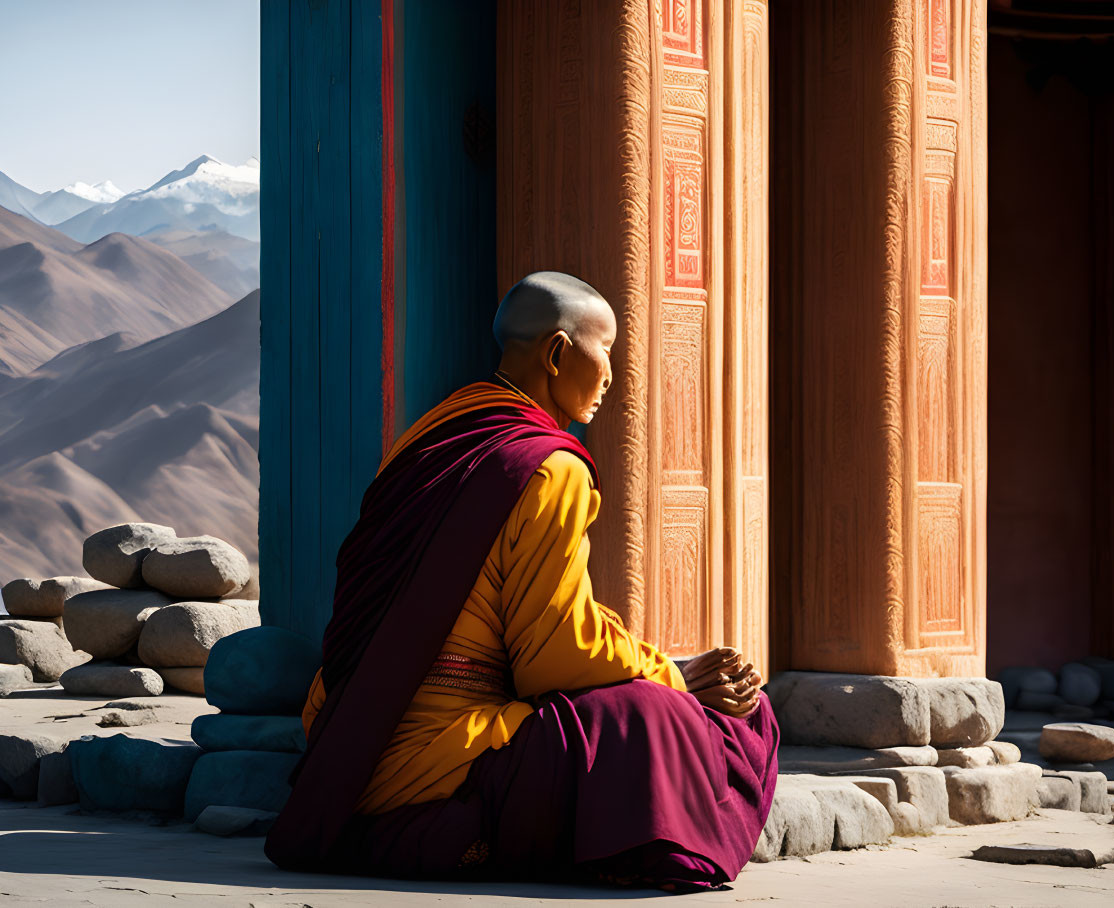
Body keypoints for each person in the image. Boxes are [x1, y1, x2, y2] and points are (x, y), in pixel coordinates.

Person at [264, 271, 779, 891]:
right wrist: (674, 674)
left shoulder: (425, 439)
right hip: (447, 760)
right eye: (606, 352)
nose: (613, 377)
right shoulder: (550, 468)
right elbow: (553, 658)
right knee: (705, 714)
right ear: (560, 353)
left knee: (650, 694)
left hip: (348, 748)